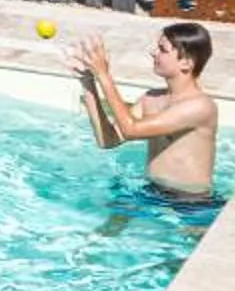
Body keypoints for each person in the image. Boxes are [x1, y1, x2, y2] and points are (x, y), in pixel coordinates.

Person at [71, 22, 220, 197]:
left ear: (186, 63)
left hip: (190, 202)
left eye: (162, 50)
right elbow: (107, 141)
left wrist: (104, 75)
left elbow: (130, 130)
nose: (153, 53)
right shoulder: (150, 99)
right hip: (151, 192)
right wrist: (89, 84)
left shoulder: (200, 107)